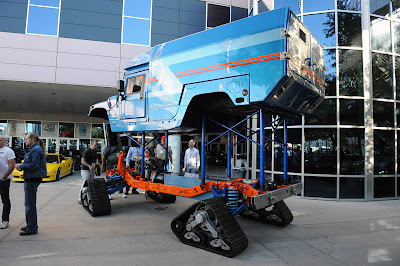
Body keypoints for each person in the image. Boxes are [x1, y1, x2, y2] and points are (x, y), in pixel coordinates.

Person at [15, 133, 46, 235]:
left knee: (30, 205)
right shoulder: (34, 149)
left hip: (32, 179)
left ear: (32, 139)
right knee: (28, 204)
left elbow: (34, 165)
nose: (25, 141)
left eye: (26, 139)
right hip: (30, 178)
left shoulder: (36, 150)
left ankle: (32, 228)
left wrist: (21, 166)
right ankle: (30, 225)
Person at [0, 135, 16, 229]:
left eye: (0, 140)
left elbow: (12, 164)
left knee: (5, 200)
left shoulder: (8, 151)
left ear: (4, 141)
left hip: (4, 179)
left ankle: (5, 220)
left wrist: (5, 176)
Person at [78, 140, 98, 204]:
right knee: (84, 184)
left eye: (97, 145)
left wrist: (96, 165)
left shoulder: (95, 151)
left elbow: (95, 160)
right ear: (91, 144)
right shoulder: (86, 151)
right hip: (85, 170)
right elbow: (82, 161)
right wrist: (89, 166)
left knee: (91, 184)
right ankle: (80, 198)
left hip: (91, 170)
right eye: (95, 145)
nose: (96, 147)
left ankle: (89, 198)